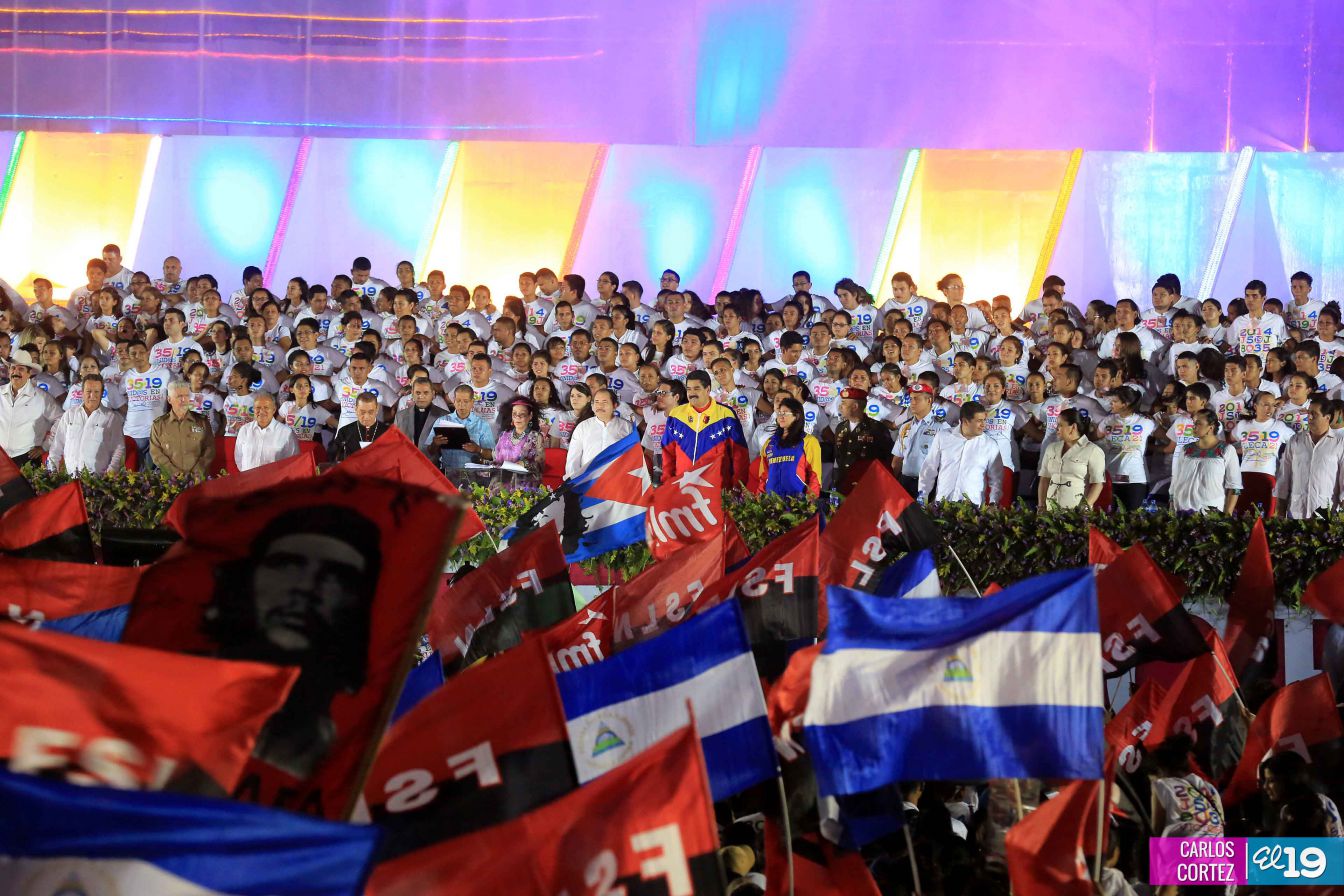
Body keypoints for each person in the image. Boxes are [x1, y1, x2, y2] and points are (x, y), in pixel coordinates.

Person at [203, 507, 378, 779]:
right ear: (247, 578)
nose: (306, 586)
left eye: (337, 576)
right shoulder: (171, 697)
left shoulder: (357, 752)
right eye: (286, 565)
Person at [661, 370, 748, 486]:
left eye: (696, 389)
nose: (691, 393)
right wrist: (667, 482)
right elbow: (667, 452)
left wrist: (737, 486)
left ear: (707, 390)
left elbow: (740, 455)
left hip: (718, 489)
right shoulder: (676, 414)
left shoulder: (726, 414)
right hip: (682, 488)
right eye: (689, 389)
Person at [918, 400, 1003, 506]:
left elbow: (996, 479)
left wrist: (993, 503)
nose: (983, 425)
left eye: (984, 420)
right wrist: (922, 496)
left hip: (972, 510)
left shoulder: (990, 445)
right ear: (965, 421)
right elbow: (929, 469)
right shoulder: (943, 437)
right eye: (979, 421)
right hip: (942, 505)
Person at [1275, 396, 1344, 519]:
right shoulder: (1295, 440)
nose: (1309, 417)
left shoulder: (1340, 443)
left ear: (1327, 417)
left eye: (1314, 414)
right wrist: (1280, 512)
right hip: (1295, 512)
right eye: (1308, 413)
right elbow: (1284, 477)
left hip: (1326, 514)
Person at [1147, 733, 1225, 838]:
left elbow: (1156, 832)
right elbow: (1221, 824)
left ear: (1161, 769)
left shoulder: (1162, 785)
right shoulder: (1209, 788)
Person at [45, 373, 125, 474]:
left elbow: (119, 449)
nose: (92, 396)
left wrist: (110, 474)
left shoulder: (111, 418)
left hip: (98, 482)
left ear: (101, 393)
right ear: (82, 392)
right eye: (88, 391)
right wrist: (52, 472)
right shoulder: (69, 415)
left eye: (96, 391)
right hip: (71, 480)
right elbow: (56, 447)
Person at [1170, 409, 1242, 513]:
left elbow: (1235, 487)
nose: (1193, 426)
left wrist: (1227, 516)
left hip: (1211, 512)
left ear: (1211, 427)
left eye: (1198, 423)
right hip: (1182, 509)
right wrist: (1172, 504)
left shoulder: (1226, 450)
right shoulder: (1186, 449)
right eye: (1193, 423)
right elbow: (1176, 478)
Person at [0, 348, 61, 463]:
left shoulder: (42, 397)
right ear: (8, 371)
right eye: (13, 368)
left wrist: (45, 446)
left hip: (27, 458)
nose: (15, 372)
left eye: (21, 369)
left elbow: (61, 419)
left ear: (29, 373)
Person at [1037, 407, 1106, 509]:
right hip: (1050, 509)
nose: (1056, 428)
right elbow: (1044, 478)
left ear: (1073, 427)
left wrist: (1085, 508)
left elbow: (1098, 484)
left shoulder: (1093, 450)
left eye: (1060, 425)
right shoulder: (1051, 448)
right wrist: (1042, 505)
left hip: (1076, 511)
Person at [753, 396, 821, 497]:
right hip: (771, 503)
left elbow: (815, 476)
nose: (780, 416)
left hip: (798, 503)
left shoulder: (809, 442)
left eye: (784, 413)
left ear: (797, 416)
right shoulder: (769, 443)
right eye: (779, 413)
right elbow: (764, 476)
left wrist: (810, 502)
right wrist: (759, 498)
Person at [832, 386, 894, 492]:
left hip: (867, 484)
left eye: (844, 403)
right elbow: (839, 456)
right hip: (843, 481)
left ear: (855, 406)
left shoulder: (876, 428)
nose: (840, 407)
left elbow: (887, 457)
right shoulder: (840, 427)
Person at [149, 380, 216, 478]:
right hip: (171, 481)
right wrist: (174, 473)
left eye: (186, 396)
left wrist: (197, 472)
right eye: (179, 396)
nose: (184, 400)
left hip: (198, 479)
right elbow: (156, 454)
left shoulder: (202, 421)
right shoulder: (159, 425)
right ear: (169, 400)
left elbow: (209, 449)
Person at [892, 382, 948, 496]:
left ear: (929, 400)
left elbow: (947, 462)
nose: (912, 402)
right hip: (905, 481)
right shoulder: (905, 426)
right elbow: (897, 459)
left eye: (917, 399)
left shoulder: (942, 427)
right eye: (911, 398)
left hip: (928, 484)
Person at [235, 392, 300, 471]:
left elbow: (293, 462)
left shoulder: (286, 433)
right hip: (247, 481)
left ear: (274, 409)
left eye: (266, 407)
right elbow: (239, 458)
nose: (261, 411)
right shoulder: (244, 430)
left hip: (274, 482)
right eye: (258, 407)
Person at [394, 378, 448, 459]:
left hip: (433, 467)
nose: (421, 396)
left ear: (433, 394)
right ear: (412, 393)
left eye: (426, 393)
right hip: (406, 464)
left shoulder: (444, 416)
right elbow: (395, 444)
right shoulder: (400, 416)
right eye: (418, 393)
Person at [330, 392, 392, 462]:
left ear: (377, 409)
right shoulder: (345, 431)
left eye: (370, 412)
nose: (366, 416)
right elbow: (334, 456)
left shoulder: (388, 432)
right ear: (356, 409)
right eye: (362, 412)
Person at [491, 397, 545, 476]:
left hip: (525, 484)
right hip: (500, 482)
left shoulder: (536, 437)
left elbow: (541, 464)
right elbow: (496, 459)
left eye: (522, 414)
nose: (517, 417)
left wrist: (525, 463)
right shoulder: (504, 435)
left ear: (530, 416)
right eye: (514, 414)